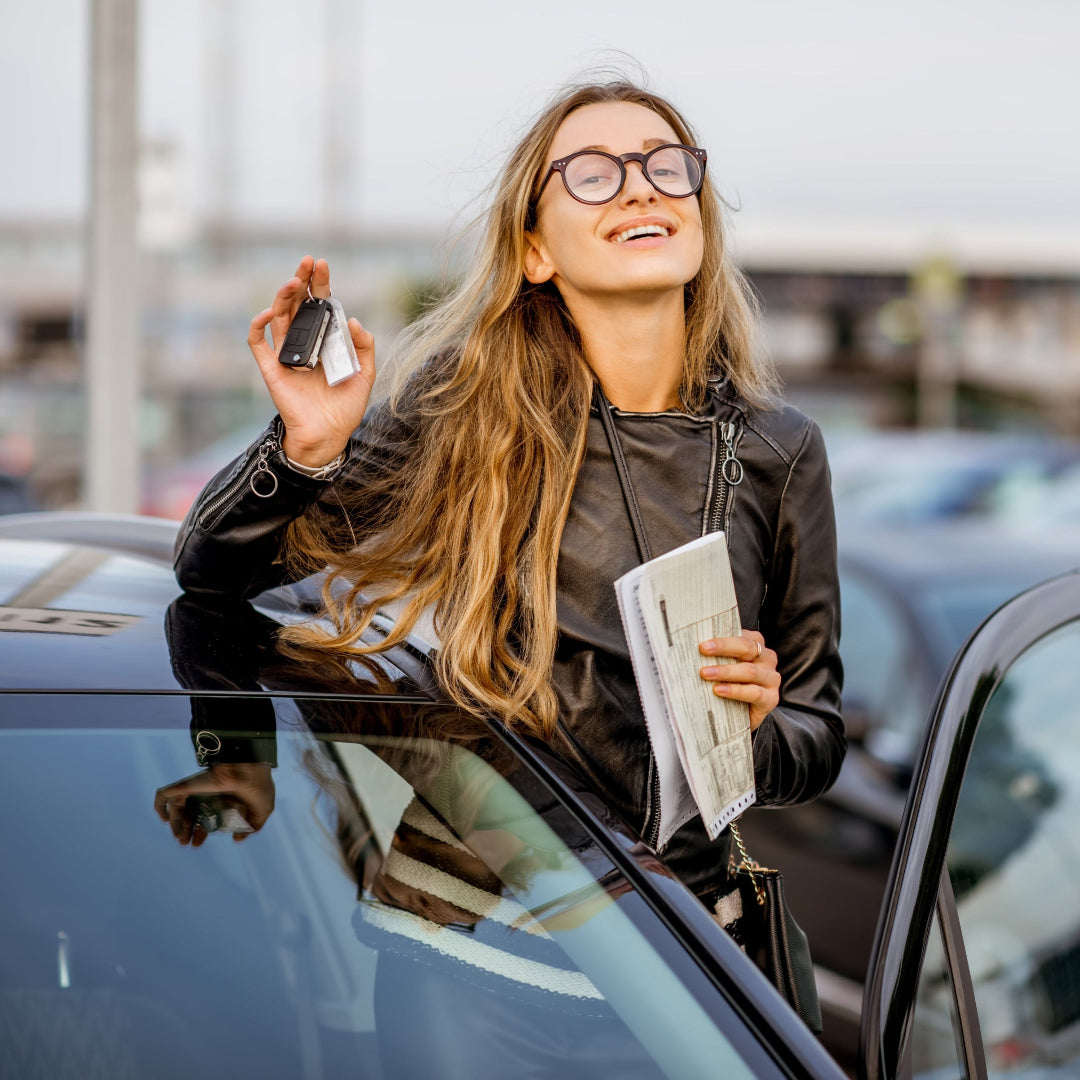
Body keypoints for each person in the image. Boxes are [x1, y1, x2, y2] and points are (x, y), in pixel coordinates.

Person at [174, 79, 844, 913]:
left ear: (698, 213)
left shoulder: (781, 451)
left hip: (674, 957)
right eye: (594, 174)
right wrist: (307, 447)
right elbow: (210, 577)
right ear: (536, 251)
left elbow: (815, 741)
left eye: (667, 167)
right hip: (463, 935)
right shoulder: (461, 412)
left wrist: (751, 732)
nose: (641, 184)